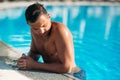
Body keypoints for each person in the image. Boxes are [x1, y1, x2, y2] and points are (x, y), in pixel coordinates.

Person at [17, 3, 86, 80]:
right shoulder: (34, 31)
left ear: (49, 17)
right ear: (29, 25)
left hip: (73, 75)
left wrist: (34, 65)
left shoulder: (60, 32)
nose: (41, 31)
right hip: (53, 73)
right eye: (35, 28)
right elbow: (35, 52)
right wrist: (25, 61)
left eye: (44, 26)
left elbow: (67, 67)